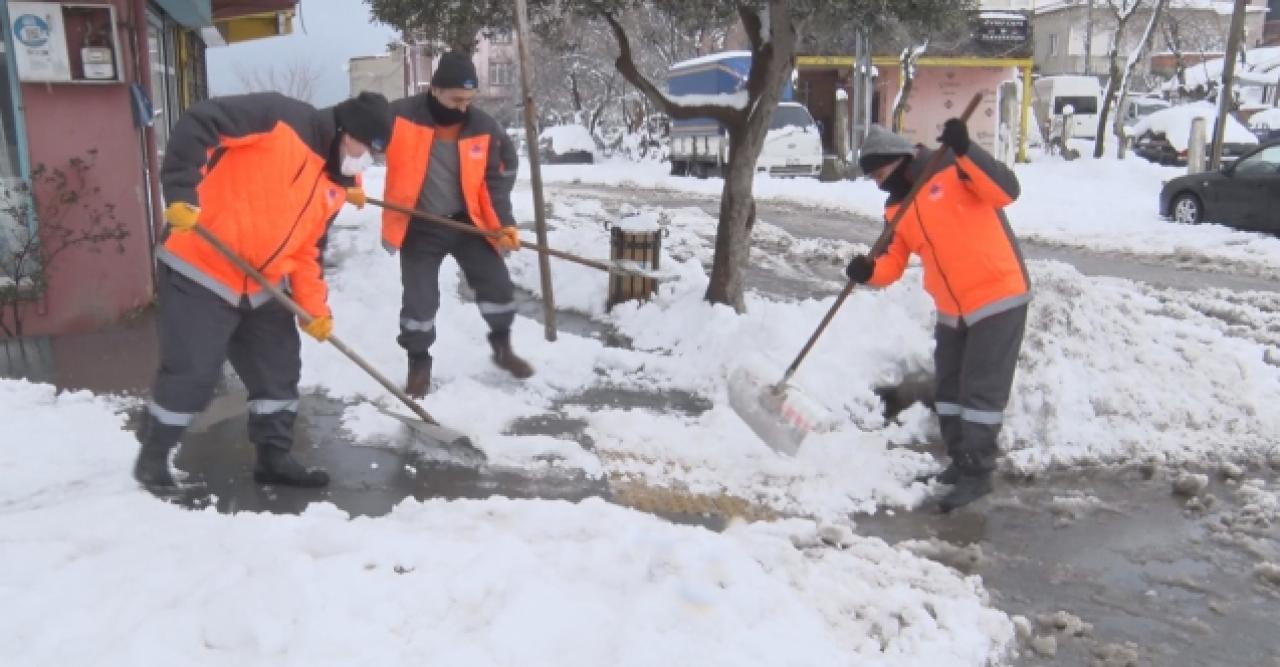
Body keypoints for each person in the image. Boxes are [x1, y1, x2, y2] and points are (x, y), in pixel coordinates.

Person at [132, 91, 393, 495]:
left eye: (375, 155)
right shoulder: (279, 119)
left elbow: (309, 250)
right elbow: (201, 122)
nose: (367, 161)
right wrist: (181, 192)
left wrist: (314, 308)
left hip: (262, 283)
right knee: (194, 370)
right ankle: (153, 457)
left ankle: (274, 458)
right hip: (201, 265)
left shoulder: (338, 184)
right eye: (366, 149)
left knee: (278, 372)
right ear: (346, 131)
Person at [848, 120, 1031, 512]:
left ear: (896, 160)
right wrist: (867, 271)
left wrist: (967, 149)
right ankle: (958, 462)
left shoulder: (951, 167)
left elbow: (1007, 190)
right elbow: (891, 262)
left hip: (997, 293)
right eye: (874, 179)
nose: (879, 183)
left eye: (880, 174)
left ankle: (977, 474)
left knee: (981, 391)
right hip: (953, 307)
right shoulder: (897, 207)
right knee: (949, 390)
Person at [380, 51, 531, 399]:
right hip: (421, 226)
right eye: (456, 99)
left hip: (469, 226)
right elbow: (356, 138)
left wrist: (504, 223)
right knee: (419, 303)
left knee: (497, 287)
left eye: (469, 100)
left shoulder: (483, 127)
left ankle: (503, 348)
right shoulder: (399, 116)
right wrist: (350, 183)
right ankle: (418, 363)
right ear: (435, 90)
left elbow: (501, 173)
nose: (463, 107)